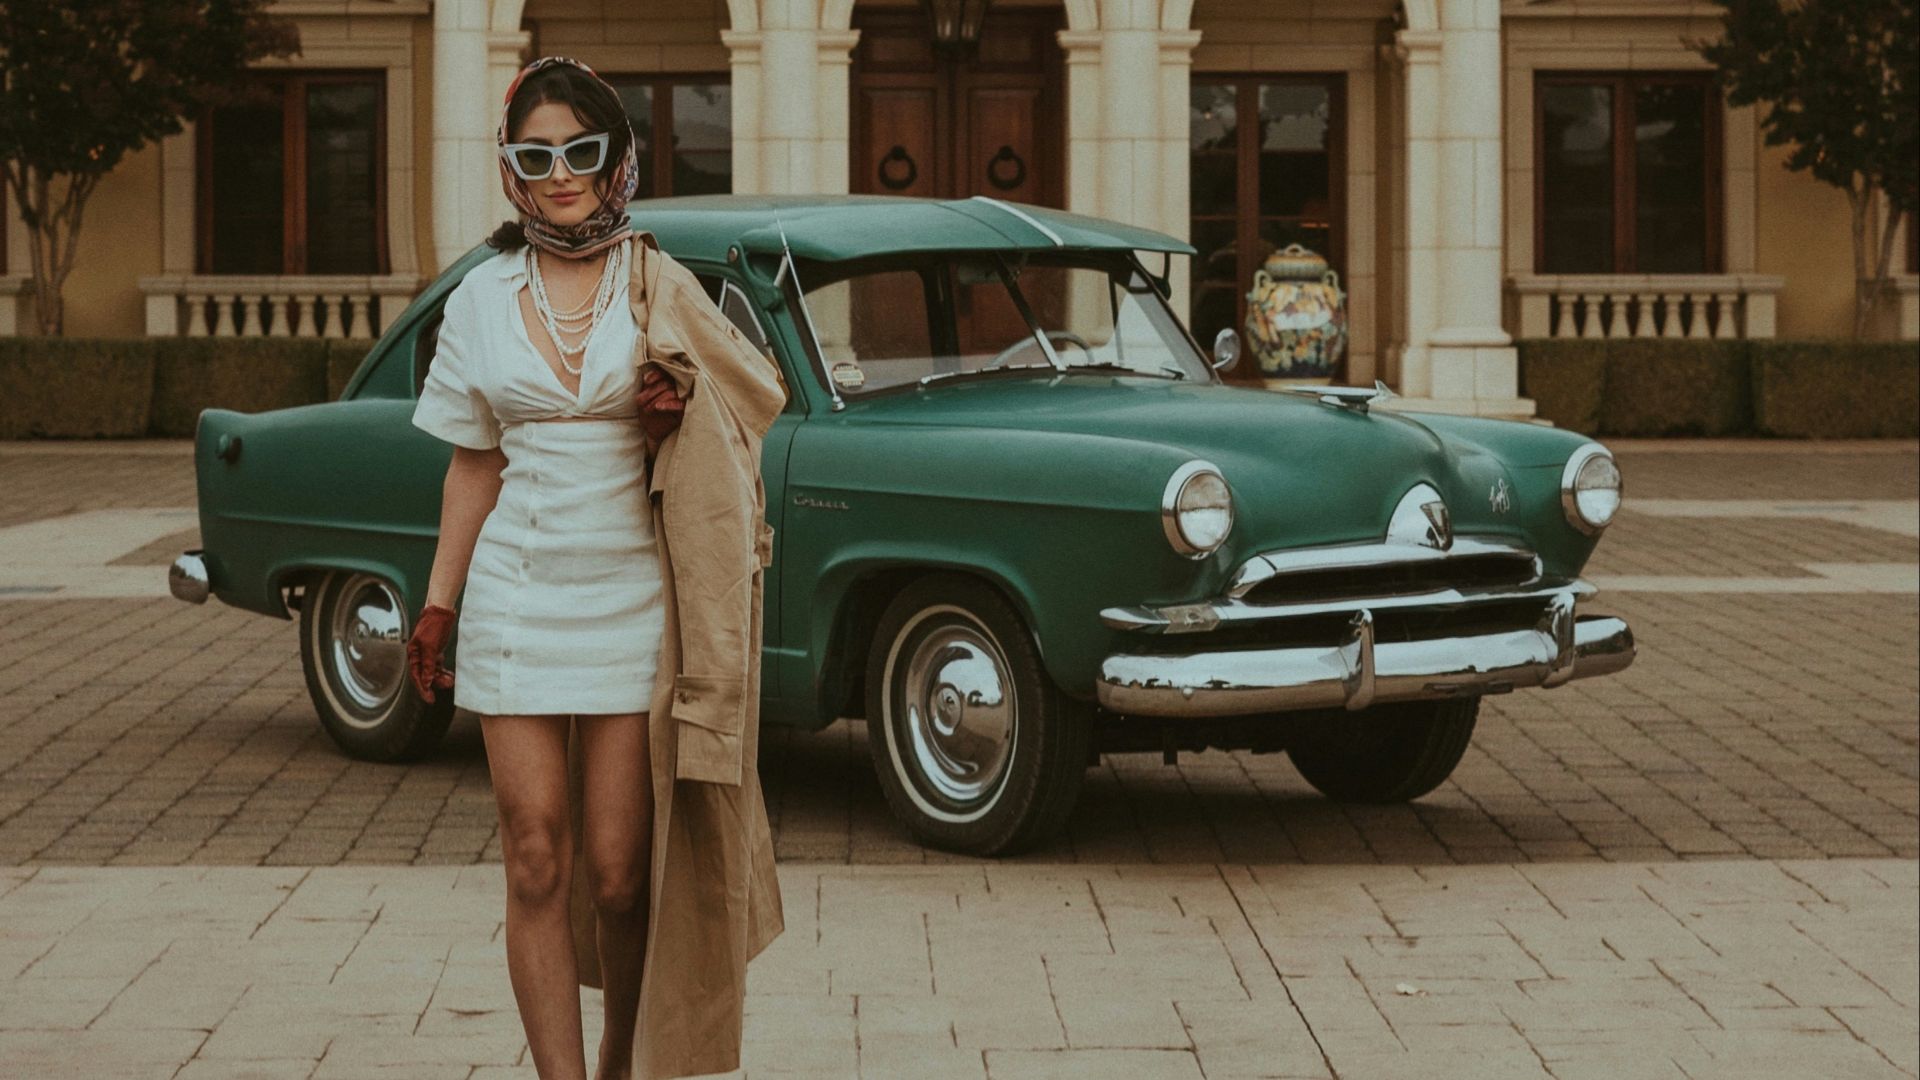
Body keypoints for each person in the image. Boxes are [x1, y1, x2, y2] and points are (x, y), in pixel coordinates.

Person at [401, 56, 697, 1080]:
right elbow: (473, 464)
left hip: (633, 599)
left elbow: (744, 417)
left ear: (615, 156)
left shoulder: (663, 280)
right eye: (538, 156)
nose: (561, 171)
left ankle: (619, 1061)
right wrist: (438, 608)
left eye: (582, 150)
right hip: (518, 598)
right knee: (535, 854)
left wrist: (677, 418)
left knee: (619, 876)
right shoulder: (479, 298)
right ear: (512, 169)